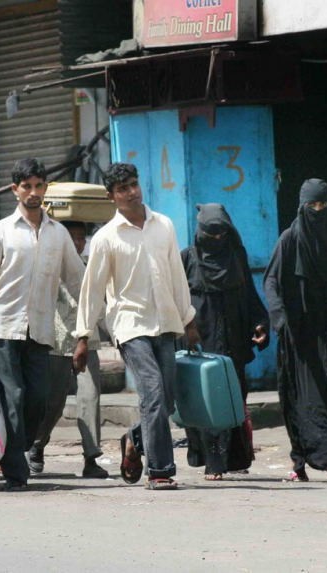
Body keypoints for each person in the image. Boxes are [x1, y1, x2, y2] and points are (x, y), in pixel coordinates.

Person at [74, 162, 200, 491]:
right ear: (111, 196)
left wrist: (189, 319)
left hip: (166, 320)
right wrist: (83, 335)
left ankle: (133, 439)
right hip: (130, 326)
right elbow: (93, 289)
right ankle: (160, 470)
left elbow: (177, 274)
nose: (131, 192)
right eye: (123, 189)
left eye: (133, 184)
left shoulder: (164, 226)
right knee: (153, 392)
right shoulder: (105, 238)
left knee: (166, 401)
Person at [0, 158, 85, 491]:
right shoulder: (0, 231)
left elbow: (78, 281)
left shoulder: (58, 234)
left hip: (41, 329)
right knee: (14, 394)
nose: (33, 193)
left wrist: (88, 327)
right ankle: (17, 471)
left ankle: (12, 450)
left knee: (39, 398)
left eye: (39, 185)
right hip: (4, 326)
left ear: (45, 188)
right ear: (14, 190)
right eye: (27, 186)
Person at [263, 179, 327, 485]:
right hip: (300, 332)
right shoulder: (290, 239)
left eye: (323, 205)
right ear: (302, 207)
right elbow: (271, 282)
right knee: (309, 397)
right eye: (312, 206)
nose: (318, 211)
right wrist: (280, 320)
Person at [180, 203, 269, 480]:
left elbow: (249, 295)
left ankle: (235, 457)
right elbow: (179, 299)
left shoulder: (236, 256)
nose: (217, 239)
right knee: (204, 399)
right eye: (211, 234)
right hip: (200, 339)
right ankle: (211, 460)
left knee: (232, 397)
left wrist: (259, 323)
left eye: (222, 234)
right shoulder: (188, 258)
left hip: (233, 338)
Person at [28, 221, 108, 479]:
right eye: (70, 239)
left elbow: (99, 303)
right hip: (56, 343)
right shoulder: (48, 269)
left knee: (90, 397)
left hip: (87, 341)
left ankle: (91, 457)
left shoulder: (90, 269)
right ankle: (37, 444)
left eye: (80, 239)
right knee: (54, 403)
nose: (76, 243)